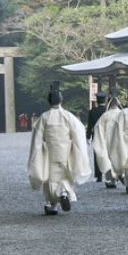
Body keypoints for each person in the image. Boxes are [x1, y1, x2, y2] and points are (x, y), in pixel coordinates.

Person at [27, 81, 89, 215]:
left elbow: (37, 139)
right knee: (65, 175)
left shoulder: (44, 117)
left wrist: (38, 153)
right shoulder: (69, 116)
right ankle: (64, 193)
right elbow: (78, 133)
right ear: (62, 101)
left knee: (50, 178)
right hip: (66, 151)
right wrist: (75, 149)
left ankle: (52, 205)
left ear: (49, 102)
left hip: (50, 152)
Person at [92, 94, 122, 190]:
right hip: (121, 141)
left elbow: (98, 128)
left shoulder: (105, 115)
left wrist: (99, 141)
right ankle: (122, 176)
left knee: (109, 160)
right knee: (121, 158)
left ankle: (112, 180)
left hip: (108, 141)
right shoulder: (123, 114)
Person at [87, 91, 108, 182]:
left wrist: (88, 136)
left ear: (97, 101)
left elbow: (90, 125)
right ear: (105, 100)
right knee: (107, 154)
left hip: (96, 135)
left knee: (97, 155)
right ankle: (109, 173)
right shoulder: (107, 110)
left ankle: (98, 175)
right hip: (107, 135)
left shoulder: (93, 111)